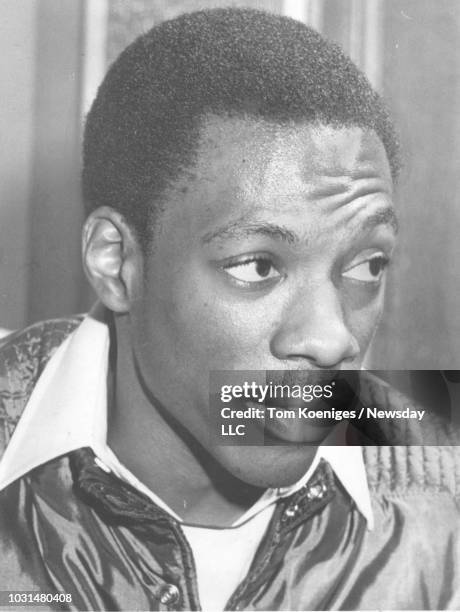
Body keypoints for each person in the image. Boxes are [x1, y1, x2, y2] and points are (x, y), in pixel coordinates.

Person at [0, 8, 459, 611]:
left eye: (365, 265)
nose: (333, 339)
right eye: (257, 266)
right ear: (116, 263)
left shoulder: (442, 495)